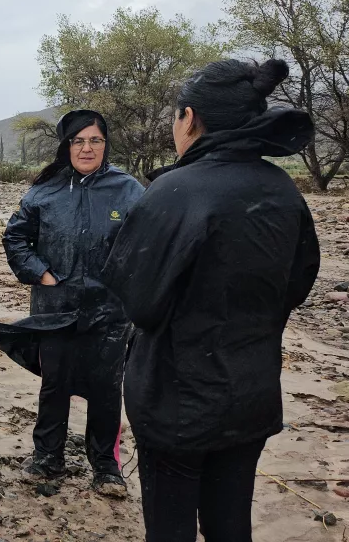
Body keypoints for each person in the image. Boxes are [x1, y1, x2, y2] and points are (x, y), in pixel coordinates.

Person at [101, 59, 320, 542]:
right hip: (252, 391)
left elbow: (139, 301)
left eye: (176, 118)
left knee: (170, 525)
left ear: (190, 118)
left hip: (179, 401)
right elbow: (298, 283)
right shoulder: (283, 190)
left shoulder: (176, 190)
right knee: (230, 521)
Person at [0, 109, 144, 498]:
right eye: (78, 141)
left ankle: (106, 466)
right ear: (66, 146)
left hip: (110, 312)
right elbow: (15, 238)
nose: (87, 148)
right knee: (54, 385)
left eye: (95, 140)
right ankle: (47, 457)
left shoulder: (129, 190)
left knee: (107, 388)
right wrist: (41, 274)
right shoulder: (45, 191)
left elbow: (146, 246)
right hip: (55, 308)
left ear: (106, 145)